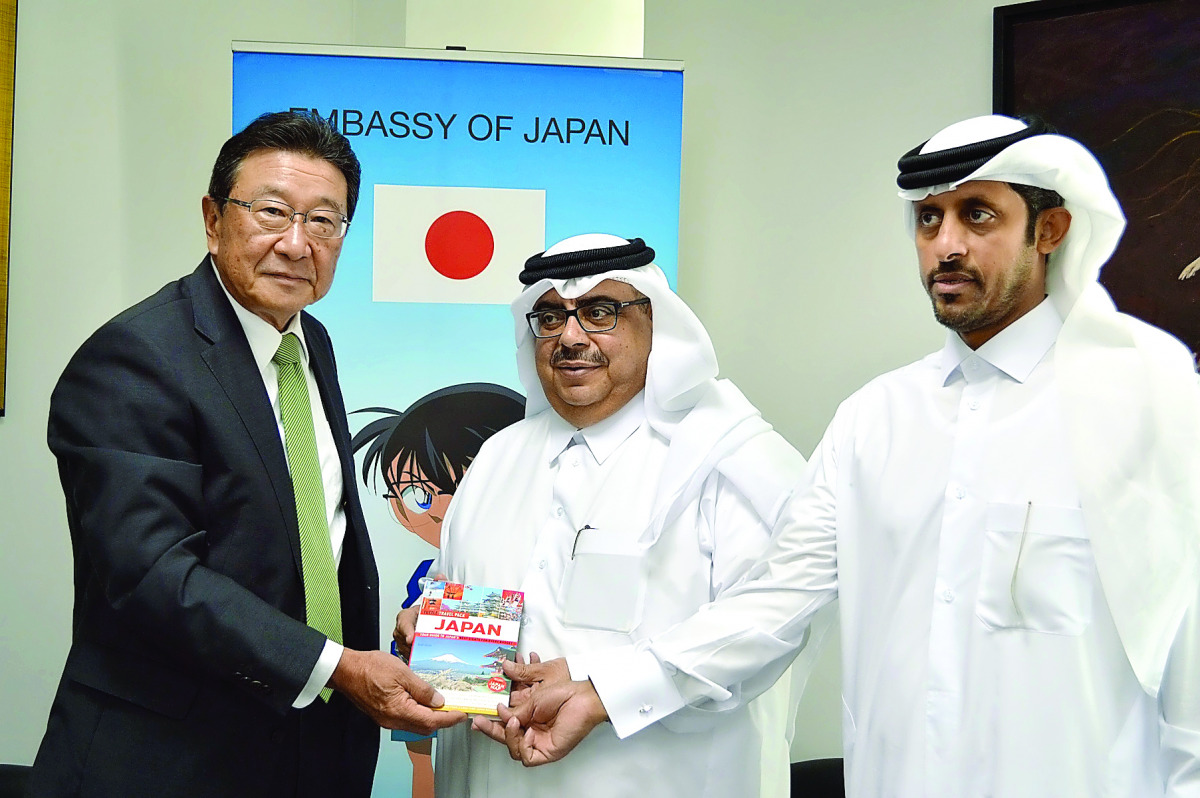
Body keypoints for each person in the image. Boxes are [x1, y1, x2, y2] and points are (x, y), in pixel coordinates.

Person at [494, 117, 1200, 797]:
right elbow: (773, 603)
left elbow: (1188, 653)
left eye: (977, 216)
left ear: (1050, 230)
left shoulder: (1148, 400)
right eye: (929, 220)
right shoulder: (876, 419)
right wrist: (602, 692)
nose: (945, 245)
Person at [28, 111, 465, 798]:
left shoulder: (308, 341)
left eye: (325, 221)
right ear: (212, 218)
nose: (297, 244)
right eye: (271, 212)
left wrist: (384, 644)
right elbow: (152, 575)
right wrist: (338, 667)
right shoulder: (134, 359)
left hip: (312, 750)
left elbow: (312, 538)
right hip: (172, 759)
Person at [395, 234, 819, 797]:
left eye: (600, 312)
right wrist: (423, 630)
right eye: (550, 318)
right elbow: (465, 597)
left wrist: (607, 690)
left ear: (655, 321)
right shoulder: (499, 455)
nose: (571, 337)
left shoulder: (728, 454)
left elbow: (774, 619)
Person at [351, 383, 525, 798]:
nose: (426, 510)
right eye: (412, 494)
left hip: (525, 736)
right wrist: (413, 629)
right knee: (424, 762)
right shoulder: (436, 571)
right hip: (432, 699)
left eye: (450, 488)